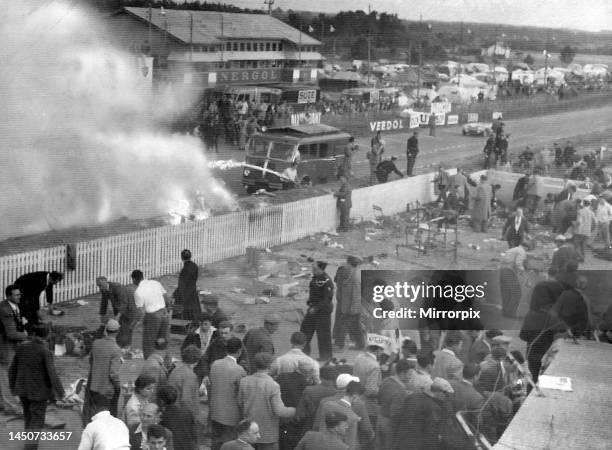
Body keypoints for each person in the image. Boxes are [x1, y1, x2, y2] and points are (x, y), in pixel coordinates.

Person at [9, 325, 65, 450]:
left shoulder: (22, 347)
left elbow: (12, 369)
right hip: (39, 392)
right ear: (47, 335)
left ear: (33, 333)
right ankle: (30, 447)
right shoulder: (44, 351)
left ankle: (28, 445)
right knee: (37, 420)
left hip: (23, 390)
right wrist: (61, 393)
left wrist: (13, 388)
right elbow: (52, 374)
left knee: (28, 417)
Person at [238, 352, 296, 450]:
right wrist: (295, 410)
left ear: (255, 364)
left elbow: (239, 403)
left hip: (248, 431)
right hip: (268, 434)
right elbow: (279, 411)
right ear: (270, 365)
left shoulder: (244, 381)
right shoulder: (273, 385)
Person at [391, 377, 454, 450]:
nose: (446, 397)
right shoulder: (433, 408)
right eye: (446, 394)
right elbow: (431, 435)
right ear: (440, 392)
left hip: (400, 442)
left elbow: (398, 417)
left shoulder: (412, 396)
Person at [314, 378, 373, 450]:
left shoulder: (327, 405)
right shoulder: (353, 417)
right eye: (359, 398)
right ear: (355, 397)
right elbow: (350, 444)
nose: (359, 401)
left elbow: (318, 427)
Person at [209, 337, 247, 450]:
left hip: (215, 411)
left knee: (215, 443)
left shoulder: (215, 364)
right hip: (231, 416)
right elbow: (241, 395)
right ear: (239, 351)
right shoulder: (239, 370)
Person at [84, 319, 122, 423]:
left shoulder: (96, 343)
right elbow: (113, 373)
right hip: (107, 390)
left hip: (94, 386)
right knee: (107, 418)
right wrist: (117, 386)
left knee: (94, 415)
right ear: (117, 332)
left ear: (106, 330)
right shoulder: (116, 349)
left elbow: (91, 361)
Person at [0, 285, 27, 416]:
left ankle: (4, 402)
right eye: (16, 295)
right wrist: (25, 335)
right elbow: (11, 334)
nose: (19, 296)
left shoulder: (12, 305)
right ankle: (10, 406)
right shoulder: (5, 310)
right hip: (4, 346)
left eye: (19, 294)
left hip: (7, 344)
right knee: (5, 375)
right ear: (9, 296)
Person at [132, 270, 171, 359]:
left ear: (134, 279)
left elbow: (140, 312)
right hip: (164, 314)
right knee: (163, 342)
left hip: (152, 316)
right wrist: (166, 311)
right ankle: (167, 365)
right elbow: (167, 298)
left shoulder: (138, 291)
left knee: (148, 344)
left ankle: (150, 366)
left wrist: (134, 324)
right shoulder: (155, 283)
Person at [300, 261, 334, 362]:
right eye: (313, 268)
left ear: (321, 269)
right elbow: (315, 293)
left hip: (322, 311)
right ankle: (304, 354)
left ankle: (326, 356)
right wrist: (310, 301)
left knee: (323, 334)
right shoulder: (316, 278)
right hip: (313, 309)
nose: (313, 270)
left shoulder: (327, 281)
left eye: (315, 269)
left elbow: (326, 299)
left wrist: (316, 308)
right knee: (305, 331)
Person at [377, 360, 413, 450]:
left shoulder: (386, 380)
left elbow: (379, 398)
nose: (410, 377)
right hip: (390, 425)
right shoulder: (401, 391)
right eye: (409, 374)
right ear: (402, 373)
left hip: (380, 418)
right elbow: (396, 415)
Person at [96, 276, 139, 349]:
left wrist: (117, 317)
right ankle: (119, 344)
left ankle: (127, 347)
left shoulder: (117, 287)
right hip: (119, 307)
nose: (100, 288)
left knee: (127, 327)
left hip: (130, 307)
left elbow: (124, 303)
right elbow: (104, 303)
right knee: (119, 326)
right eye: (98, 286)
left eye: (101, 286)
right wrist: (102, 316)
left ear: (106, 282)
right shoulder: (104, 289)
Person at [295, 365, 338, 437]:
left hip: (310, 428)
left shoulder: (309, 390)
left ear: (320, 377)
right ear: (335, 378)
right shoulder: (337, 393)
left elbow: (300, 415)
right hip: (331, 431)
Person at [352, 343, 383, 428]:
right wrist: (383, 392)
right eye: (382, 350)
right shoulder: (374, 366)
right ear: (378, 350)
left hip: (356, 402)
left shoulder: (359, 358)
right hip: (369, 408)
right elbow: (371, 391)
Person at [336, 257, 364, 350]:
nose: (345, 264)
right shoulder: (354, 273)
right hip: (352, 307)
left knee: (342, 324)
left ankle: (339, 345)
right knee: (356, 326)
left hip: (352, 308)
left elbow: (356, 294)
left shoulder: (355, 277)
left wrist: (353, 309)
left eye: (347, 263)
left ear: (350, 264)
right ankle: (360, 345)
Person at [158, 385, 197, 450]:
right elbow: (194, 432)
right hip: (189, 446)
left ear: (162, 400)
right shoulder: (187, 411)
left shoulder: (163, 416)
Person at [167, 345, 200, 421]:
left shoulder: (176, 368)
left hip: (171, 409)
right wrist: (192, 418)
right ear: (196, 361)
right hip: (181, 415)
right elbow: (186, 400)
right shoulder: (190, 375)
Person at [173, 249, 199, 321]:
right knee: (194, 308)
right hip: (193, 291)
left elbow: (182, 285)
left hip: (185, 293)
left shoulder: (185, 270)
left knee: (183, 310)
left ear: (181, 258)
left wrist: (175, 294)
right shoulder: (195, 266)